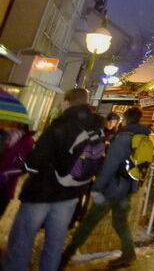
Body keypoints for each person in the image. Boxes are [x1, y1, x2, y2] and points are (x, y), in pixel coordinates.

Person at [3, 88, 104, 271]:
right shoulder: (96, 127)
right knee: (55, 242)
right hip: (71, 193)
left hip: (42, 192)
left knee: (22, 239)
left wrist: (25, 162)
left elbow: (35, 163)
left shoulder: (61, 125)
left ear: (67, 101)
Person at [60, 107, 149, 269]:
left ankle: (65, 256)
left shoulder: (123, 138)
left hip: (112, 188)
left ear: (126, 119)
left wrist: (97, 187)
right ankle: (128, 253)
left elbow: (110, 166)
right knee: (120, 221)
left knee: (89, 222)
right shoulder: (142, 137)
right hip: (127, 186)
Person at [1, 121, 35, 219]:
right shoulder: (2, 135)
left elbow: (25, 166)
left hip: (5, 187)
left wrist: (5, 174)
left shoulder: (28, 142)